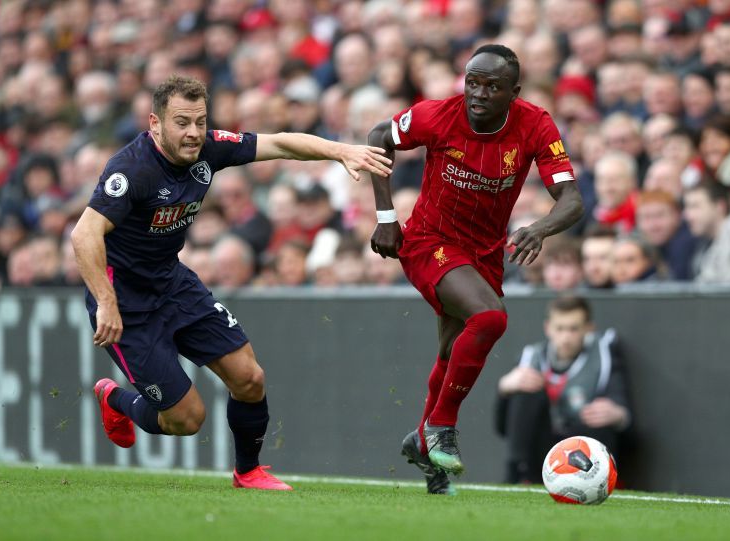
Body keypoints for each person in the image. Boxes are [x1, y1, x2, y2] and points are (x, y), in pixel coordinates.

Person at [71, 75, 392, 491]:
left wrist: (340, 150)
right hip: (124, 300)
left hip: (172, 282)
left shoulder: (210, 147)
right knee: (186, 420)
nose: (193, 133)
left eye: (200, 122)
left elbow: (279, 143)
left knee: (249, 377)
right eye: (182, 122)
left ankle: (248, 471)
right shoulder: (131, 170)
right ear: (155, 123)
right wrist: (106, 302)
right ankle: (117, 398)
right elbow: (84, 235)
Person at [367, 45, 583, 495]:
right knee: (490, 317)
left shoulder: (535, 124)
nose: (479, 93)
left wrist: (540, 228)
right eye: (472, 82)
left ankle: (423, 440)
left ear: (513, 92)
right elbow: (377, 137)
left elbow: (572, 200)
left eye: (492, 86)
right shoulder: (437, 116)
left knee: (451, 352)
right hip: (429, 242)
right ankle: (440, 427)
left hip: (483, 253)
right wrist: (387, 218)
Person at [495, 295, 631, 484]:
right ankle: (518, 475)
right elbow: (501, 428)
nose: (566, 337)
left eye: (574, 329)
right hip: (541, 447)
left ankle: (594, 481)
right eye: (560, 328)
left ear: (589, 328)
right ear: (548, 328)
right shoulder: (531, 358)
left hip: (581, 450)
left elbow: (624, 413)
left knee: (600, 420)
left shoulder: (604, 356)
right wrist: (504, 387)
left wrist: (617, 414)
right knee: (525, 390)